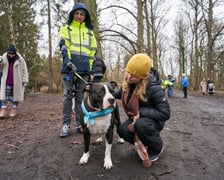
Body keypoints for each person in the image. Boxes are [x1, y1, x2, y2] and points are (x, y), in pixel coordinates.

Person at [113, 53, 170, 167]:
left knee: (141, 125)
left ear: (142, 77)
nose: (129, 77)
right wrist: (104, 92)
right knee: (122, 130)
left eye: (134, 75)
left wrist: (141, 113)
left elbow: (165, 113)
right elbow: (117, 94)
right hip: (137, 119)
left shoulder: (154, 88)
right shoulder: (127, 84)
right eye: (128, 72)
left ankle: (157, 147)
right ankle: (145, 142)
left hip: (153, 121)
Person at [58, 2, 97, 137]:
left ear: (85, 16)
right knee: (67, 97)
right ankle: (66, 125)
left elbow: (93, 54)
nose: (79, 16)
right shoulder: (66, 28)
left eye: (82, 14)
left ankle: (80, 124)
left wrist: (91, 72)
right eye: (77, 13)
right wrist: (67, 61)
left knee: (80, 98)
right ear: (72, 14)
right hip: (68, 70)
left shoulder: (90, 33)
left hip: (84, 72)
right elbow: (63, 46)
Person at [0, 44, 29, 118]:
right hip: (6, 80)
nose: (11, 55)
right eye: (10, 54)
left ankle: (14, 108)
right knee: (3, 96)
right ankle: (3, 109)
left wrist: (25, 80)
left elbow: (24, 70)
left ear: (15, 53)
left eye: (12, 54)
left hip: (17, 81)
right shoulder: (3, 58)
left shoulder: (20, 59)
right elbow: (1, 67)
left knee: (16, 95)